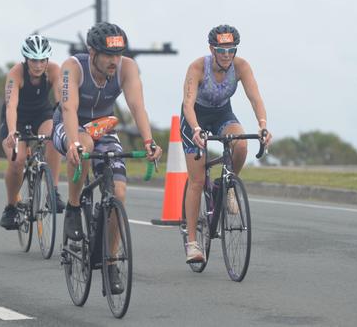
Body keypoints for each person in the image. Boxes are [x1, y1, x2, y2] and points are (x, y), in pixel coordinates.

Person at [53, 22, 162, 293]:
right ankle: (74, 206)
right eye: (108, 55)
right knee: (85, 145)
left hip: (104, 127)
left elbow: (137, 106)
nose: (115, 61)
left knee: (120, 192)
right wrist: (74, 143)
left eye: (118, 54)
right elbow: (68, 108)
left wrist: (149, 141)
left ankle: (111, 260)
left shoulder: (127, 68)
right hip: (70, 124)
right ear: (92, 52)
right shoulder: (72, 67)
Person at [181, 24, 272, 263]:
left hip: (222, 113)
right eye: (221, 50)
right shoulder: (197, 67)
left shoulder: (241, 67)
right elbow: (188, 104)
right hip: (195, 117)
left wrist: (262, 125)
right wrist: (197, 130)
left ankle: (228, 184)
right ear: (211, 48)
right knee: (197, 180)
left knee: (241, 145)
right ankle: (192, 244)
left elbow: (255, 98)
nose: (226, 55)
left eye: (231, 50)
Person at [0, 34, 66, 230]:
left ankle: (52, 192)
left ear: (48, 59)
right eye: (34, 60)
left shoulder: (54, 70)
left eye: (42, 60)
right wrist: (12, 131)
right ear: (26, 59)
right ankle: (11, 206)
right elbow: (11, 105)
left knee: (54, 138)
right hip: (16, 117)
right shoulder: (16, 73)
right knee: (17, 159)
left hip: (41, 114)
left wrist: (66, 124)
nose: (38, 65)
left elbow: (61, 100)